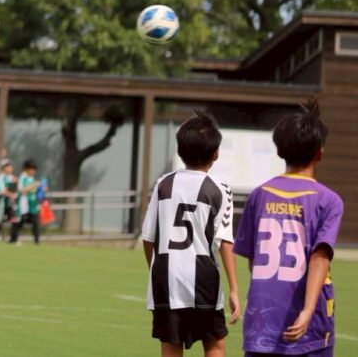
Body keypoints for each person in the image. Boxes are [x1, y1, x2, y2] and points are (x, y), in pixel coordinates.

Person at [234, 100, 344, 357]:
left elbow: (254, 260)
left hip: (261, 322)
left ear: (280, 151)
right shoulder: (328, 200)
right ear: (320, 153)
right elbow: (320, 257)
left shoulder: (259, 195)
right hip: (310, 325)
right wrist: (308, 310)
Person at [141, 110, 239, 357]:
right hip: (204, 278)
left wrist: (156, 270)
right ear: (216, 154)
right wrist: (234, 289)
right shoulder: (220, 189)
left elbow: (148, 238)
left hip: (167, 277)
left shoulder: (163, 184)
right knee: (214, 343)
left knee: (170, 345)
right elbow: (225, 241)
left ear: (179, 150)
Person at [0, 158, 20, 243]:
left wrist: (16, 184)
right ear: (3, 168)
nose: (9, 168)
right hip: (2, 201)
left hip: (11, 202)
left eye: (10, 166)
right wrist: (11, 194)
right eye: (7, 166)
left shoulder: (13, 178)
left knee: (14, 219)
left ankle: (13, 239)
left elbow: (16, 189)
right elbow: (2, 191)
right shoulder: (1, 178)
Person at [18, 160, 44, 245]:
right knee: (20, 221)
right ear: (26, 169)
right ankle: (14, 238)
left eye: (34, 169)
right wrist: (34, 185)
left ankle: (37, 241)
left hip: (33, 204)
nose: (33, 171)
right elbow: (22, 190)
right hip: (24, 204)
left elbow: (34, 190)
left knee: (36, 222)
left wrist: (41, 189)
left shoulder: (32, 178)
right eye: (32, 169)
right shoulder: (23, 177)